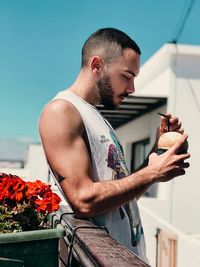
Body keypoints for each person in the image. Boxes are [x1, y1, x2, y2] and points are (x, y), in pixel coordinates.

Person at [39, 28, 190, 262]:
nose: (132, 89)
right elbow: (83, 199)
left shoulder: (97, 118)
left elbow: (121, 196)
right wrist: (151, 174)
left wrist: (155, 153)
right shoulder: (61, 111)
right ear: (97, 65)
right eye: (127, 76)